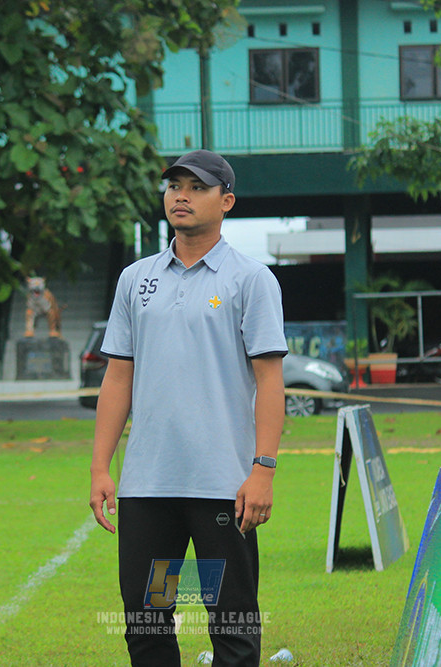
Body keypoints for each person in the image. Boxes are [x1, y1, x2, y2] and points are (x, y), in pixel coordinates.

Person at [89, 149, 287, 666]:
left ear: (226, 201)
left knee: (232, 624)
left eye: (197, 187)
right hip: (148, 488)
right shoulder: (136, 279)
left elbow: (270, 382)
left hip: (223, 486)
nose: (181, 195)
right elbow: (118, 377)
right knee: (148, 622)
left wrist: (262, 469)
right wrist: (100, 468)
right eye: (174, 185)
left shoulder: (251, 280)